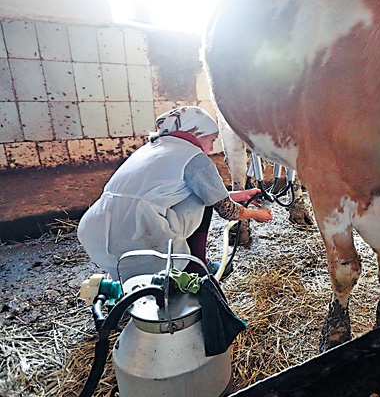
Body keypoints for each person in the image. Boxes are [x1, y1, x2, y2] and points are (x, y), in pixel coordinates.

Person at [78, 106, 272, 280]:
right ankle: (196, 266)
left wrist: (241, 195)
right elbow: (226, 210)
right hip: (139, 234)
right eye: (212, 140)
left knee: (200, 196)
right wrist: (257, 215)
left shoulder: (152, 148)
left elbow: (190, 193)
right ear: (197, 133)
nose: (212, 148)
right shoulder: (194, 158)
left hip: (95, 234)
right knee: (203, 203)